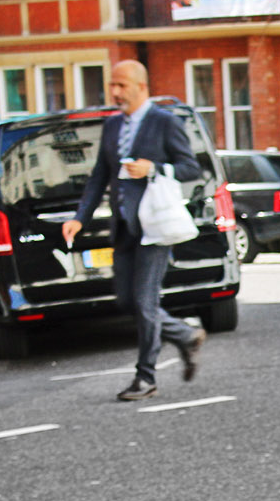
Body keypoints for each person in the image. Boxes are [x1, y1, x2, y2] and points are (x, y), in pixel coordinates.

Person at [61, 60, 206, 401]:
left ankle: (146, 378)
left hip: (154, 227)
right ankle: (185, 335)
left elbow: (191, 169)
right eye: (113, 85)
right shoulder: (112, 126)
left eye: (122, 85)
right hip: (124, 227)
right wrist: (79, 218)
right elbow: (99, 176)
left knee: (144, 302)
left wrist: (154, 168)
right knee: (128, 300)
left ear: (141, 87)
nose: (115, 92)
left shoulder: (164, 122)